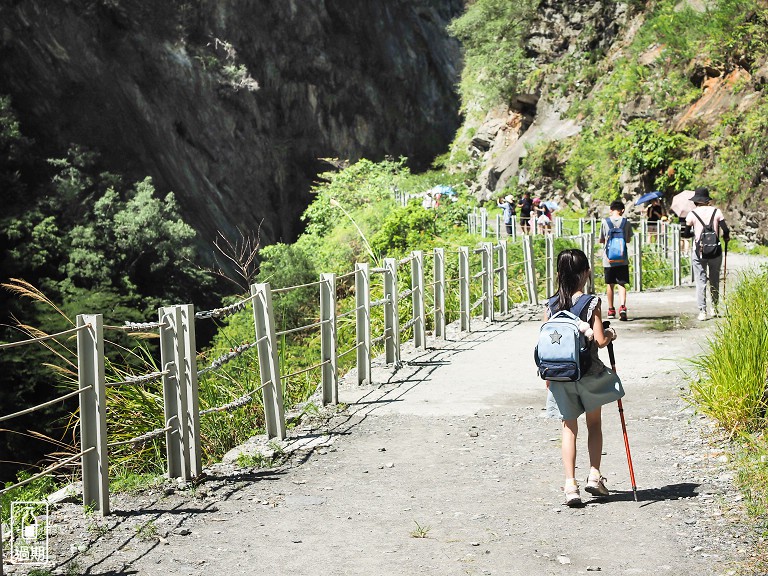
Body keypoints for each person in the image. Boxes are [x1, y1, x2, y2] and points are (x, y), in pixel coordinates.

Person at [543, 248, 623, 507]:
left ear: (559, 274)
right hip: (588, 373)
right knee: (594, 424)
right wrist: (611, 335)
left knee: (568, 428)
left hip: (559, 376)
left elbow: (545, 344)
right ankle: (594, 475)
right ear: (586, 273)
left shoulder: (551, 304)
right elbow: (599, 341)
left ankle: (570, 486)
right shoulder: (590, 303)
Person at [684, 187, 730, 321]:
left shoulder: (692, 214)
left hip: (699, 252)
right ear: (707, 200)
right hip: (716, 251)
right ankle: (714, 308)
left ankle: (702, 312)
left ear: (696, 201)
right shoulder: (717, 211)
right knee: (715, 280)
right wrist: (725, 237)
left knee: (701, 281)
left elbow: (686, 234)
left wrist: (695, 233)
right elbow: (725, 229)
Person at [598, 200, 633, 321]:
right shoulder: (626, 222)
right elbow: (628, 240)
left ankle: (611, 310)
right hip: (622, 259)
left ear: (611, 209)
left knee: (610, 284)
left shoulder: (605, 222)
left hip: (608, 259)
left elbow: (601, 239)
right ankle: (622, 308)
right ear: (622, 210)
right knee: (621, 283)